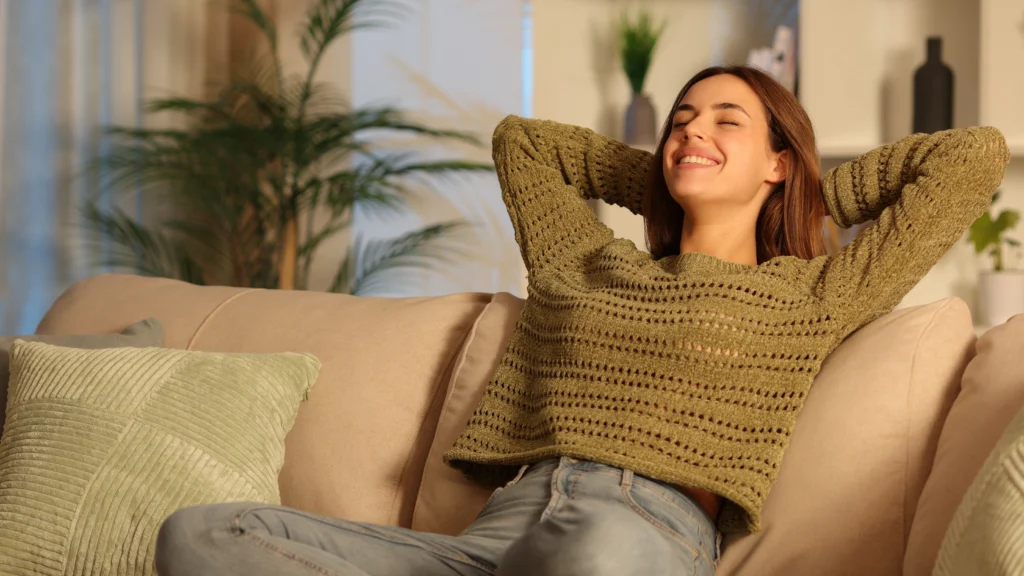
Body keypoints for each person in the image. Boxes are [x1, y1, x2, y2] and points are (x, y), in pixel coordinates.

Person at [154, 65, 1009, 576]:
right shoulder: (585, 265)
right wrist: (674, 172)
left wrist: (814, 189)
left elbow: (969, 158)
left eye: (724, 121)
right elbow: (521, 142)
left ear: (779, 161)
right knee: (206, 535)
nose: (691, 132)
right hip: (491, 542)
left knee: (591, 558)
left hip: (635, 532)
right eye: (680, 121)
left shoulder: (811, 291)